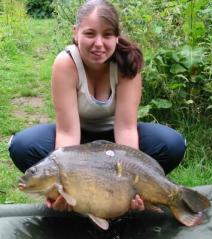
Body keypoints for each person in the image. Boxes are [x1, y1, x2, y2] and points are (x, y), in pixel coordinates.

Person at [8, 0, 186, 212]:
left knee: (172, 143)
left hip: (116, 143)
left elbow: (126, 128)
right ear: (76, 33)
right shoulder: (66, 63)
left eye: (107, 35)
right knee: (22, 145)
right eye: (90, 34)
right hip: (78, 142)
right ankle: (80, 195)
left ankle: (138, 192)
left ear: (117, 36)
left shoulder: (127, 63)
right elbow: (67, 133)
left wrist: (132, 180)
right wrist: (63, 184)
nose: (99, 43)